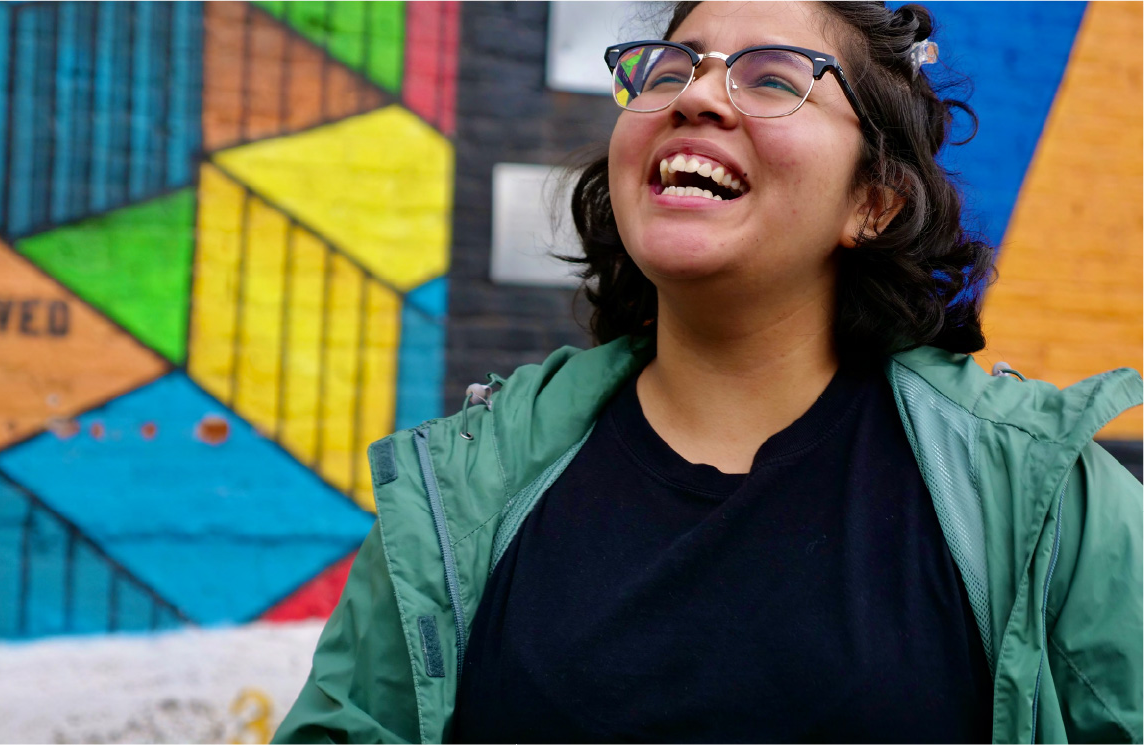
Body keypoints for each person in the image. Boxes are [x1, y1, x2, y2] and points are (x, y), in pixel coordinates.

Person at [273, 2, 1143, 742]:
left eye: (772, 78)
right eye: (667, 70)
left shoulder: (1042, 497)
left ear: (872, 202)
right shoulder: (456, 492)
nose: (693, 95)